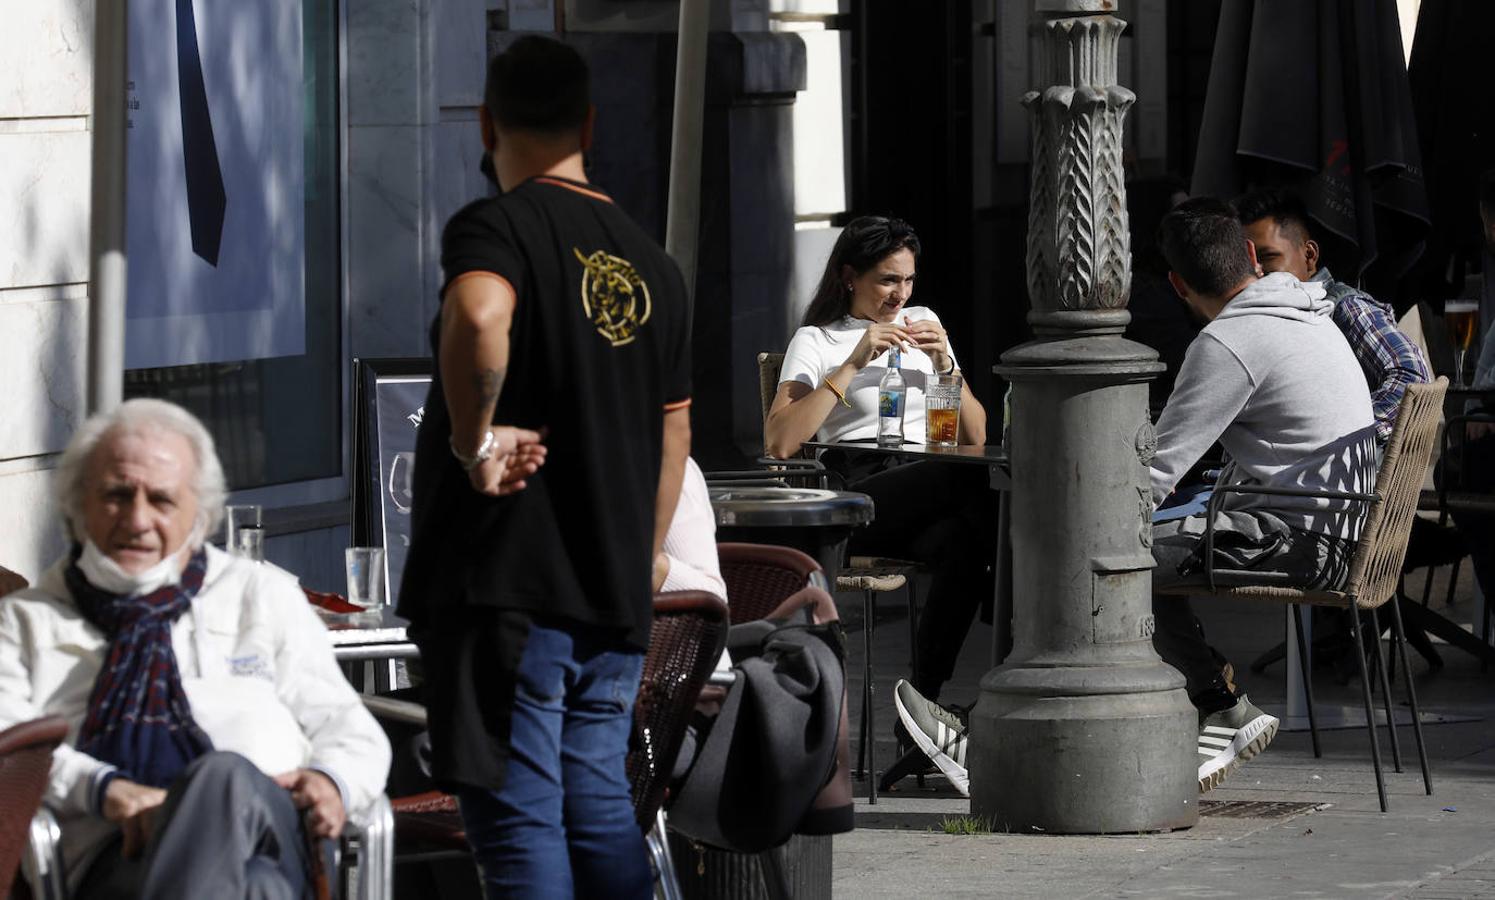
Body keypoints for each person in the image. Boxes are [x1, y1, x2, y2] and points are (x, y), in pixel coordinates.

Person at [893, 199, 1379, 796]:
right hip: (1339, 528)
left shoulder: (1231, 341)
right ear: (1250, 255)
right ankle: (1194, 705)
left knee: (1104, 561)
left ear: (1176, 284)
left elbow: (1157, 474)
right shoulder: (1309, 310)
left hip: (1299, 541)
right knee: (1111, 550)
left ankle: (1024, 733)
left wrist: (1078, 526)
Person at [398, 35, 692, 899]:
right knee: (599, 807)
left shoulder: (498, 223)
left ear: (486, 122)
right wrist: (642, 552)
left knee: (521, 817)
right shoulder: (654, 264)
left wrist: (471, 439)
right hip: (611, 588)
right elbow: (675, 434)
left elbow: (480, 314)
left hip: (509, 586)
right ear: (589, 125)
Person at [0, 399, 391, 898]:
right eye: (117, 495)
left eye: (161, 500)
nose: (138, 519)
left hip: (273, 828)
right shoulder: (27, 620)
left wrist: (333, 781)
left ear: (199, 515)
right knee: (258, 885)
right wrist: (104, 789)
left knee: (222, 778)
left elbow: (351, 731)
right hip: (118, 854)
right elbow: (10, 747)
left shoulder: (257, 595)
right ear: (78, 504)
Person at [764, 216, 993, 714]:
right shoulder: (818, 339)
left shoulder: (926, 323)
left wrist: (945, 367)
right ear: (850, 277)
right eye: (888, 280)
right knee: (971, 483)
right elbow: (780, 441)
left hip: (934, 481)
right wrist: (852, 364)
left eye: (908, 279)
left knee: (963, 539)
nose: (901, 294)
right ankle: (1017, 628)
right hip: (859, 493)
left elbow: (976, 437)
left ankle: (924, 705)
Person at [1236, 188, 1432, 445]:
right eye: (1246, 262)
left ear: (1309, 255)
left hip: (1328, 478)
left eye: (1267, 257)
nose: (1256, 272)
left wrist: (1340, 439)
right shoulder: (1267, 317)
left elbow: (1412, 375)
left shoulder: (1343, 306)